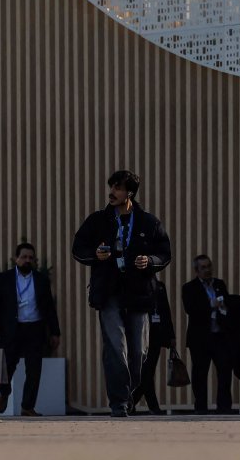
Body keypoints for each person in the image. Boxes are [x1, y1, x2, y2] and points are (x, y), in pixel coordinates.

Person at [72, 169, 173, 417]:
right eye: (111, 187)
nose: (112, 192)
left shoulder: (149, 222)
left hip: (139, 294)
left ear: (129, 192)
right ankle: (118, 402)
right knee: (116, 347)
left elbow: (165, 253)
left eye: (117, 188)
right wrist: (95, 254)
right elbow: (78, 248)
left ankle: (127, 393)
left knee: (139, 352)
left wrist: (149, 260)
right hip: (108, 293)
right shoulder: (97, 220)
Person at [0, 241, 61, 417]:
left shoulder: (41, 279)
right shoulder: (4, 278)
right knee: (8, 367)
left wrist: (55, 332)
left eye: (30, 258)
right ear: (16, 258)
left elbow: (50, 307)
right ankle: (4, 392)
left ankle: (27, 407)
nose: (27, 260)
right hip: (12, 329)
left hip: (35, 329)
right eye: (24, 257)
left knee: (34, 369)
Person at [180, 254, 235, 414]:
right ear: (196, 271)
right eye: (203, 267)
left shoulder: (219, 284)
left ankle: (224, 407)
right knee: (200, 374)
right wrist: (211, 304)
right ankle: (201, 407)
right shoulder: (189, 288)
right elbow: (190, 309)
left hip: (220, 336)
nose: (207, 270)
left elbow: (228, 304)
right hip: (200, 338)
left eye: (209, 266)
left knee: (225, 372)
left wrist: (224, 308)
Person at [134, 277, 177, 415]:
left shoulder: (160, 286)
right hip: (143, 332)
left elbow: (166, 310)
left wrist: (171, 335)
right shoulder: (137, 283)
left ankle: (131, 401)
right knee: (145, 372)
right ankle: (153, 406)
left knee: (148, 372)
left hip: (157, 334)